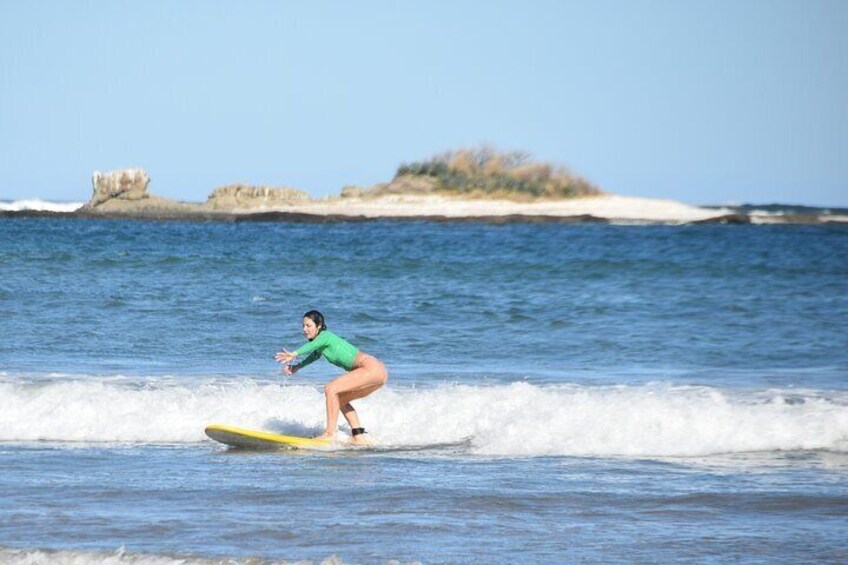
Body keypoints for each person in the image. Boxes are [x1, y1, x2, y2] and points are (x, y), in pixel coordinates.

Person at [275, 310, 388, 444]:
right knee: (340, 399)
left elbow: (312, 345)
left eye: (308, 325)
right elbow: (315, 354)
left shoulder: (325, 336)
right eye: (303, 326)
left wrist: (294, 353)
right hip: (378, 374)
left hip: (370, 368)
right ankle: (358, 436)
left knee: (330, 389)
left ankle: (329, 433)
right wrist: (297, 367)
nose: (304, 329)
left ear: (319, 326)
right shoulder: (322, 344)